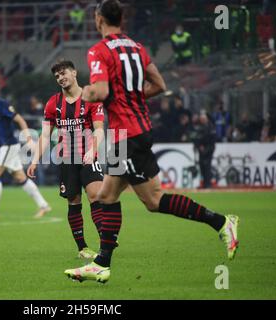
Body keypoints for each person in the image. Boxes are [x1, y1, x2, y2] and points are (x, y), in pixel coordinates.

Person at [64, 0, 240, 284]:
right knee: (105, 196)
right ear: (121, 18)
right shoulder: (137, 48)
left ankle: (221, 222)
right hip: (132, 131)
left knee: (154, 200)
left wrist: (83, 94)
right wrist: (131, 98)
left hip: (127, 134)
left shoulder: (98, 51)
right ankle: (101, 263)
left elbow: (99, 91)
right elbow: (160, 85)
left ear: (98, 19)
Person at [27, 60, 105, 260]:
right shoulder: (53, 103)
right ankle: (83, 247)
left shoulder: (91, 98)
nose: (61, 78)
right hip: (67, 159)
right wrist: (35, 160)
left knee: (95, 196)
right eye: (57, 76)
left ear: (74, 73)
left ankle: (105, 242)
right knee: (74, 201)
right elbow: (45, 136)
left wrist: (92, 150)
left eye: (63, 73)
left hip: (88, 156)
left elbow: (99, 130)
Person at [0, 80, 51, 218]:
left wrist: (28, 139)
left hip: (9, 145)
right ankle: (44, 205)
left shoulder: (3, 105)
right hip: (5, 146)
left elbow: (20, 120)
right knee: (20, 177)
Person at [193, 112, 216, 189]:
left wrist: (205, 148)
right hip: (201, 149)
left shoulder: (211, 127)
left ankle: (208, 184)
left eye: (203, 119)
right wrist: (199, 146)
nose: (202, 120)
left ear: (206, 119)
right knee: (202, 166)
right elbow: (196, 138)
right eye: (201, 119)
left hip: (209, 149)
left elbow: (212, 140)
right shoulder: (199, 127)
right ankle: (204, 183)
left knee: (207, 166)